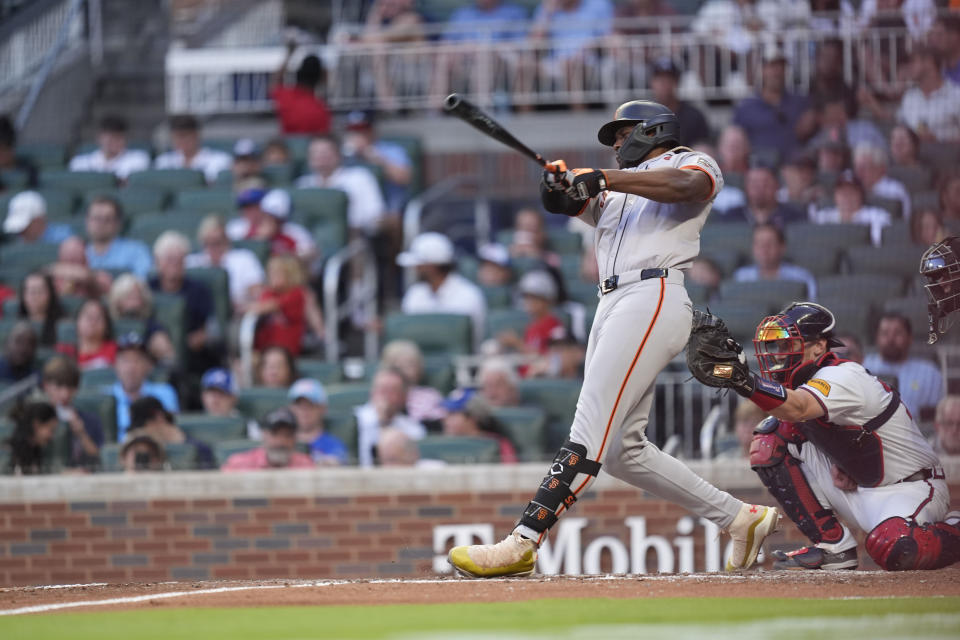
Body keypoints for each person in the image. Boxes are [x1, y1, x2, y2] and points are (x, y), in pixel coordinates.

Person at [447, 100, 779, 578]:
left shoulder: (687, 161)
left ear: (652, 129)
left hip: (654, 293)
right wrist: (558, 185)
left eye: (623, 134)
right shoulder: (618, 192)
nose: (618, 145)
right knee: (624, 450)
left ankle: (523, 541)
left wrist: (603, 176)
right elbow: (566, 202)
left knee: (589, 428)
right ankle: (738, 518)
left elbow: (689, 186)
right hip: (612, 301)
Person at [738, 301, 958, 571]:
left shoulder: (842, 375)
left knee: (896, 546)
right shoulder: (804, 384)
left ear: (819, 346)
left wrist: (740, 379)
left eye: (789, 344)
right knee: (770, 438)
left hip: (910, 487)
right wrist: (839, 461)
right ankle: (834, 547)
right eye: (779, 346)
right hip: (858, 487)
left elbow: (799, 406)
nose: (780, 353)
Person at [398, 232, 487, 349]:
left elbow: (474, 341)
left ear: (432, 266)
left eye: (419, 265)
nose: (416, 269)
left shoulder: (469, 295)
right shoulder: (414, 293)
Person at [149, 231, 218, 374]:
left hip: (192, 354)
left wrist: (184, 344)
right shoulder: (148, 289)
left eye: (179, 259)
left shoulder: (199, 290)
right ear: (157, 261)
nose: (174, 264)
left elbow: (210, 327)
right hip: (152, 352)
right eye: (169, 259)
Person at [732, 48, 816, 162]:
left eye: (782, 66)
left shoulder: (801, 103)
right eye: (772, 66)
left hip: (794, 169)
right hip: (760, 171)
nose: (777, 71)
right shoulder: (746, 107)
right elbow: (736, 141)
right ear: (762, 70)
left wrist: (813, 120)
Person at [295, 136, 386, 235]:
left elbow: (375, 216)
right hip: (310, 240)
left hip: (355, 237)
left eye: (325, 152)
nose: (320, 156)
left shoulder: (360, 177)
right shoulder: (302, 184)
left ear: (338, 154)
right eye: (315, 152)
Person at [862, 313, 943, 420]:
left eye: (897, 333)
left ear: (910, 338)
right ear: (877, 338)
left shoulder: (929, 374)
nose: (890, 339)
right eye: (885, 333)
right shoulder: (863, 368)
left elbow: (937, 417)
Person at [109, 332, 179, 441]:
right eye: (125, 360)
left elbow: (171, 432)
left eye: (137, 360)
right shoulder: (106, 398)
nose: (131, 367)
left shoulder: (165, 393)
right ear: (115, 365)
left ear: (148, 365)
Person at [186, 215, 265, 312]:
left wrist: (243, 305)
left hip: (234, 316)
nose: (212, 248)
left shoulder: (244, 259)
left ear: (226, 240)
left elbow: (258, 294)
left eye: (217, 242)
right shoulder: (192, 262)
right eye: (207, 243)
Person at [39, 356, 103, 470]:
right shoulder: (36, 419)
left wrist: (81, 433)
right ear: (46, 386)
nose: (65, 394)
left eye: (70, 387)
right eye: (58, 387)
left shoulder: (91, 420)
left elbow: (99, 460)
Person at [354, 367, 426, 467]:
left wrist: (383, 423)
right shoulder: (354, 420)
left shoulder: (413, 428)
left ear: (403, 396)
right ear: (372, 392)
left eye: (391, 391)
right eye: (381, 389)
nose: (384, 396)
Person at [125, 396, 214, 470]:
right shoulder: (136, 447)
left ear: (159, 418)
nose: (141, 433)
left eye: (143, 426)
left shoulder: (198, 449)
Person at [107, 274, 177, 367]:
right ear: (117, 300)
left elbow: (169, 357)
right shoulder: (107, 326)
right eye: (128, 295)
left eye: (137, 294)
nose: (134, 298)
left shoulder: (153, 327)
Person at [733, 224, 817, 300]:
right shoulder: (741, 277)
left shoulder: (801, 277)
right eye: (758, 243)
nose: (764, 249)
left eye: (769, 243)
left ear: (782, 247)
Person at [895, 46, 960, 143]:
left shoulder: (955, 95)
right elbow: (900, 124)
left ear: (929, 62)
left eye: (912, 61)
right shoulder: (909, 97)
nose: (908, 67)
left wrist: (938, 141)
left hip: (948, 156)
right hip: (915, 156)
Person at [810, 170, 891, 247]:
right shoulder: (823, 217)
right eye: (842, 192)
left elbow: (877, 247)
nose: (847, 196)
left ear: (861, 195)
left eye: (851, 192)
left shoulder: (877, 217)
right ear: (835, 196)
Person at [496, 270, 567, 357]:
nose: (529, 302)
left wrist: (517, 343)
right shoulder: (531, 327)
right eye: (526, 297)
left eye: (534, 297)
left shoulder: (555, 326)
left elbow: (554, 359)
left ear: (547, 300)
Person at [221, 407, 315, 471]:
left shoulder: (305, 465)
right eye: (275, 434)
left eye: (287, 435)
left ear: (295, 438)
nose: (281, 441)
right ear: (263, 435)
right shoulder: (238, 465)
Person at [251, 255, 308, 357]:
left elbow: (271, 305)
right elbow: (262, 304)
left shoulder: (296, 293)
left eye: (277, 274)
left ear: (290, 275)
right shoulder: (268, 293)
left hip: (286, 351)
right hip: (264, 348)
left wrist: (248, 307)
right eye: (270, 273)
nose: (272, 277)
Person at [84, 196, 152, 279]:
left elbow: (141, 281)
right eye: (96, 218)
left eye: (107, 219)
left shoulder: (136, 251)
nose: (101, 224)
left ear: (118, 223)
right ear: (87, 221)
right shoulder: (79, 252)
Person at [442, 388, 518, 463]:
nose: (446, 420)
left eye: (452, 414)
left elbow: (510, 470)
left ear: (472, 417)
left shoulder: (498, 445)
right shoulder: (443, 445)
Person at [379, 339, 446, 425]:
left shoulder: (431, 395)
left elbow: (439, 422)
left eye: (409, 365)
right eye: (397, 366)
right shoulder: (381, 396)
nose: (404, 371)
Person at [648, 57, 711, 147]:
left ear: (677, 82)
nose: (664, 83)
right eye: (660, 79)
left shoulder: (694, 116)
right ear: (652, 83)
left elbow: (703, 151)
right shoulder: (643, 117)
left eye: (669, 79)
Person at [270, 43, 331, 135]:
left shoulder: (287, 96)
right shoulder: (320, 109)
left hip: (288, 146)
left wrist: (289, 54)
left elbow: (275, 82)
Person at [717, 165, 806, 226]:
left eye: (766, 183)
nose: (760, 188)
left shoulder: (793, 216)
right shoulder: (731, 217)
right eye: (754, 184)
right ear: (745, 187)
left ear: (777, 186)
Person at [154, 114, 233, 183]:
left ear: (196, 135)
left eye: (185, 136)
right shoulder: (163, 161)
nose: (181, 141)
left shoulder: (219, 160)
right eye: (177, 137)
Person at [68, 115, 149, 181]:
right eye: (111, 138)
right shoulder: (80, 163)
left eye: (119, 138)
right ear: (99, 138)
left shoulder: (138, 159)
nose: (115, 142)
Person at [287, 378, 347, 465]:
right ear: (291, 408)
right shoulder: (281, 442)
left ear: (322, 409)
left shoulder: (334, 445)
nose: (304, 411)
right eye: (299, 405)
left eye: (310, 405)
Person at [852, 144, 911, 221]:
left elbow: (905, 220)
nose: (859, 173)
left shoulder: (896, 191)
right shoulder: (851, 189)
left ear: (881, 169)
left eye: (864, 168)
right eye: (857, 167)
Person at [56, 298, 116, 371]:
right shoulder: (64, 351)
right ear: (77, 321)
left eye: (98, 317)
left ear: (106, 324)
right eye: (88, 316)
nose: (93, 321)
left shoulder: (116, 351)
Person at [199, 367, 258, 439]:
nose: (215, 400)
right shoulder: (197, 424)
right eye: (212, 393)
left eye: (221, 394)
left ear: (233, 398)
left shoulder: (247, 425)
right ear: (203, 397)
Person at [3, 401, 58, 475]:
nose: (51, 436)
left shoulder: (38, 451)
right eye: (51, 430)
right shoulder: (8, 451)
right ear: (37, 424)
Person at [3, 191, 71, 244]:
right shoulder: (19, 242)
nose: (22, 234)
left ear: (39, 219)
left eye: (25, 228)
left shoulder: (63, 237)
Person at [18, 271, 63, 347]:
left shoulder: (61, 327)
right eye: (31, 291)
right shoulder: (15, 326)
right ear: (23, 295)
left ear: (50, 294)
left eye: (40, 291)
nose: (35, 296)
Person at [930, 14, 960, 85]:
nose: (933, 40)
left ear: (954, 36)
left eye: (939, 35)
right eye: (932, 35)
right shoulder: (937, 69)